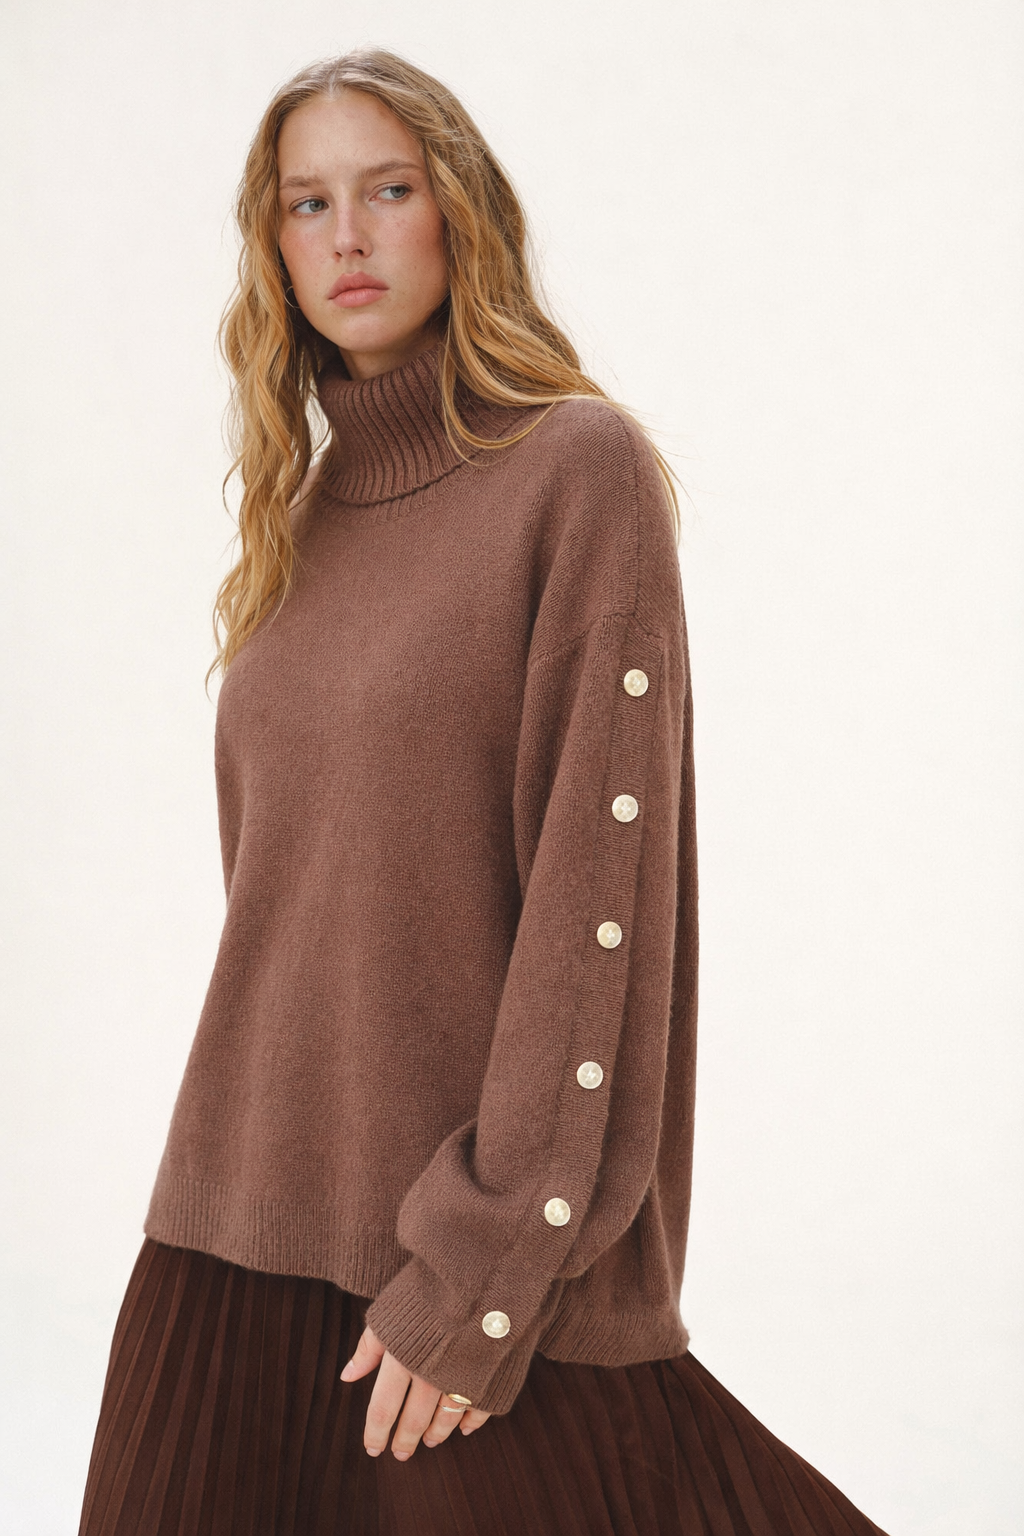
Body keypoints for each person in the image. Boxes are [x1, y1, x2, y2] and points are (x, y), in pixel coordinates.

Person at [78, 47, 889, 1536]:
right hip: (229, 1223)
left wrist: (487, 1270)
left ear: (460, 211)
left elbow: (598, 913)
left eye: (388, 189)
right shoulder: (299, 520)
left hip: (455, 1255)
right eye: (306, 203)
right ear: (272, 247)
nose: (347, 235)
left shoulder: (577, 472)